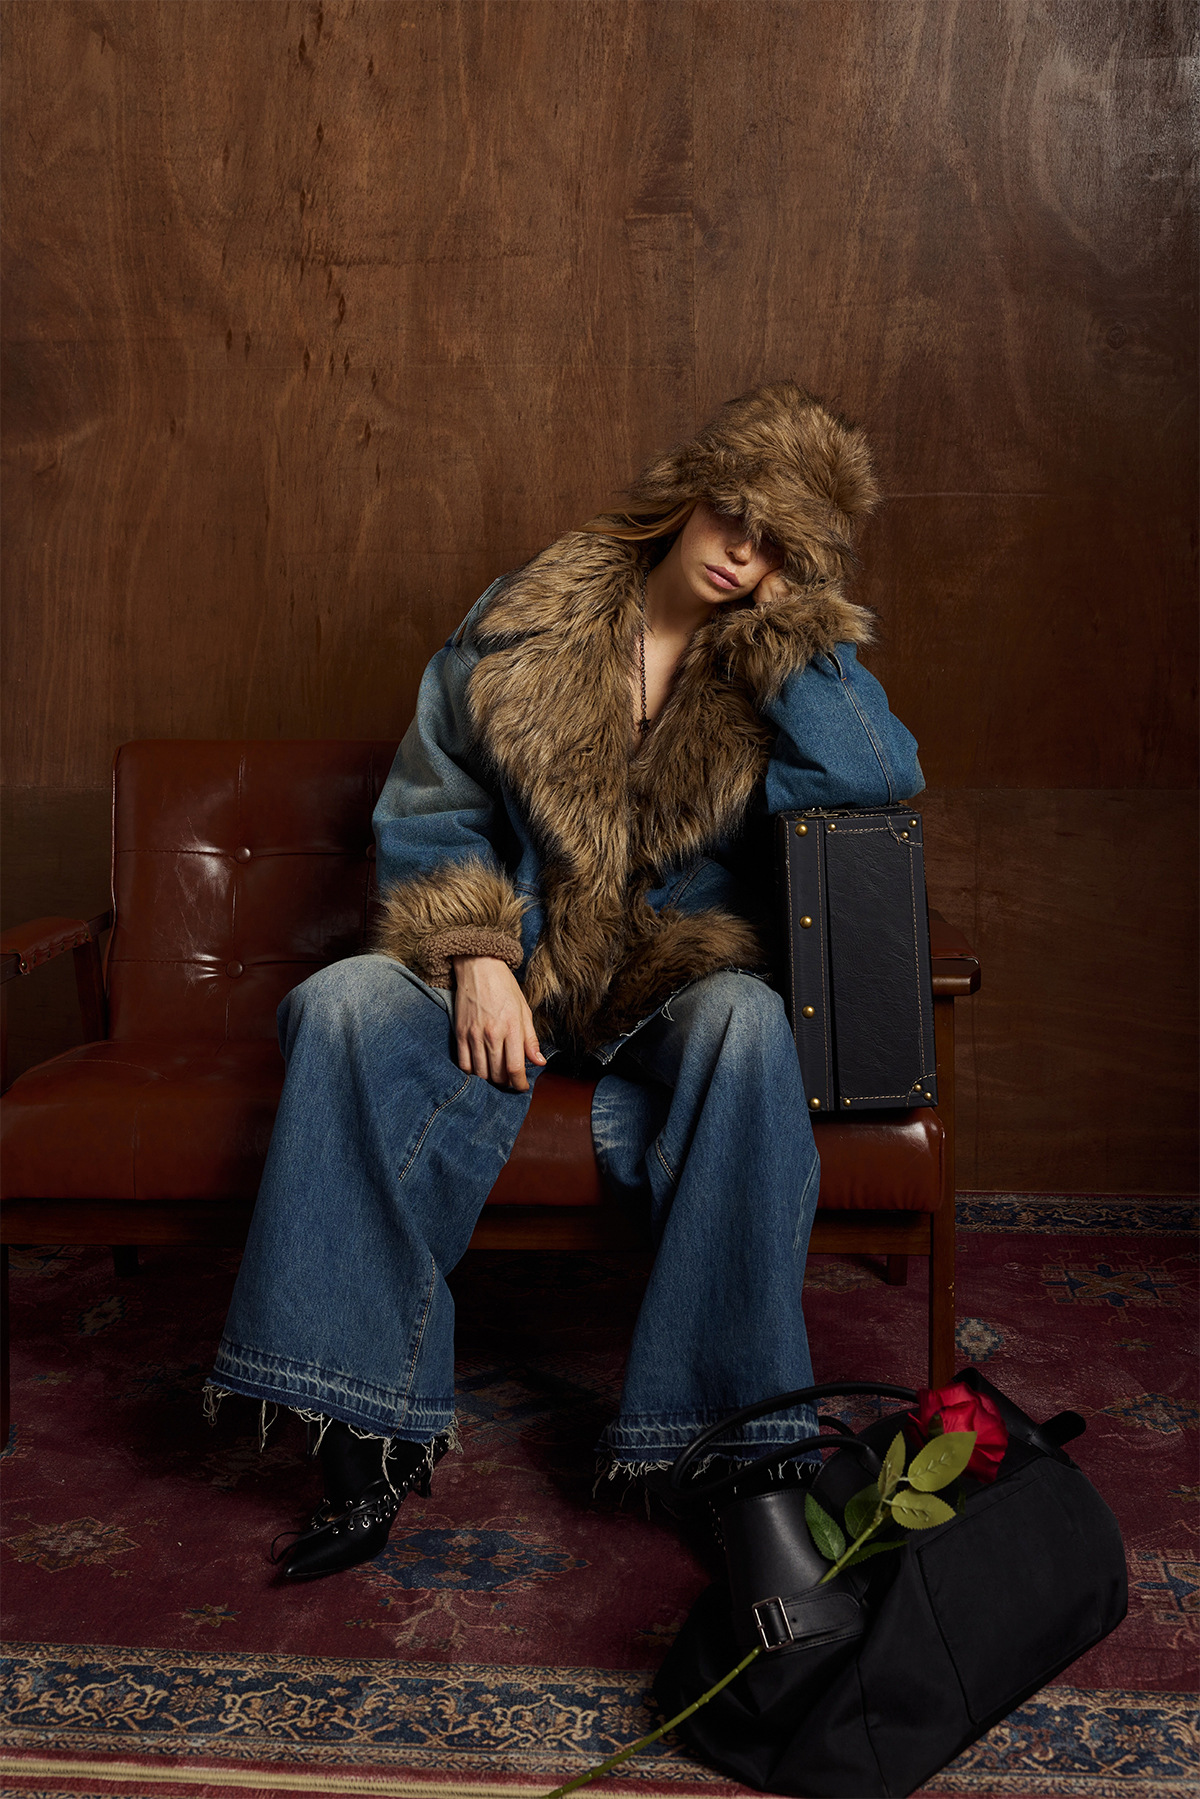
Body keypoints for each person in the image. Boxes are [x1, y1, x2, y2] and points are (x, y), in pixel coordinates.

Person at [205, 381, 924, 1580]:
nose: (742, 552)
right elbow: (431, 799)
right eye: (736, 516)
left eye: (778, 546)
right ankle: (362, 1431)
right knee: (339, 1004)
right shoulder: (529, 610)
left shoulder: (769, 662)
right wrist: (476, 953)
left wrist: (797, 638)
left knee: (750, 1025)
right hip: (518, 955)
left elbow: (877, 776)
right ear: (693, 494)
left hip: (668, 970)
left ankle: (725, 1450)